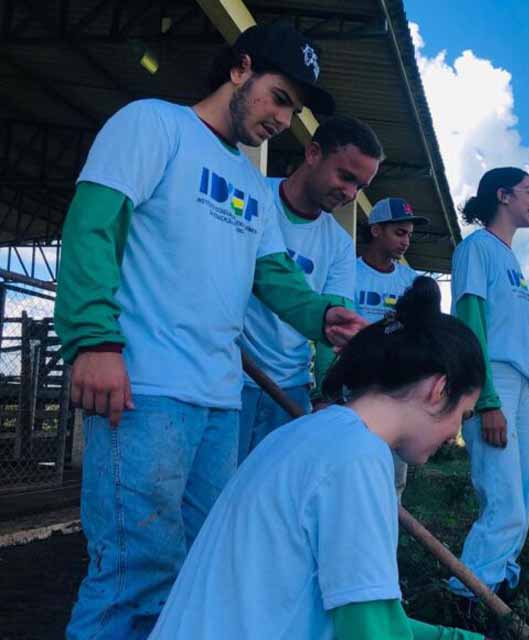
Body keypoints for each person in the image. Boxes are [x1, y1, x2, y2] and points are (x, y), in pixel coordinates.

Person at [53, 22, 366, 638]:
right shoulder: (152, 125)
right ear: (241, 68)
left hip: (220, 402)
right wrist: (93, 342)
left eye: (294, 110)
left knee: (202, 563)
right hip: (144, 389)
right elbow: (91, 230)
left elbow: (273, 276)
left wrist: (320, 317)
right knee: (133, 573)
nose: (283, 118)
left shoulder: (253, 184)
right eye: (280, 97)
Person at [149, 278, 486, 640]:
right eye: (463, 415)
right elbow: (370, 634)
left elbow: (367, 616)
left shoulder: (303, 435)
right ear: (439, 390)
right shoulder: (359, 457)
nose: (455, 433)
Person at [238, 114, 383, 462]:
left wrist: (325, 395)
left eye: (359, 187)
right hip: (232, 375)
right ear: (314, 153)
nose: (349, 194)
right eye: (346, 177)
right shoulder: (255, 196)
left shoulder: (338, 243)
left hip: (288, 388)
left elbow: (333, 326)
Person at [448, 167, 529, 598]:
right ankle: (468, 597)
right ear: (503, 195)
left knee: (523, 498)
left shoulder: (510, 258)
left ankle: (498, 586)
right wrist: (486, 398)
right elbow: (471, 323)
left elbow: (515, 337)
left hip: (518, 386)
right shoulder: (476, 248)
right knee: (503, 500)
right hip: (490, 380)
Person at [354, 196, 431, 497]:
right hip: (356, 389)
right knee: (355, 471)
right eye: (399, 233)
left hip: (398, 391)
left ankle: (386, 540)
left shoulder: (412, 282)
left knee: (393, 481)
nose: (406, 242)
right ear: (375, 230)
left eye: (409, 234)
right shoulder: (349, 273)